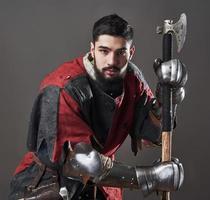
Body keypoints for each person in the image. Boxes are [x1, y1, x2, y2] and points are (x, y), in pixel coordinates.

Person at [9, 14, 187, 200]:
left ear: (131, 52)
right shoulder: (62, 87)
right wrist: (149, 177)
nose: (112, 61)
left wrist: (167, 98)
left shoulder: (132, 78)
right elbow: (81, 161)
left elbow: (152, 134)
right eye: (104, 51)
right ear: (92, 49)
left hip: (102, 185)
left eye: (120, 53)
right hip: (52, 185)